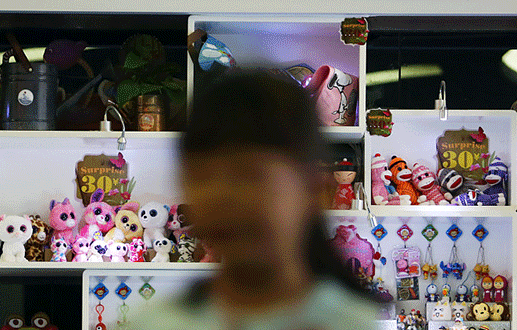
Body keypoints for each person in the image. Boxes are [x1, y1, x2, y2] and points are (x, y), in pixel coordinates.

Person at [135, 71, 378, 330]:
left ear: (316, 192)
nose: (223, 198)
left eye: (250, 176)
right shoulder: (158, 324)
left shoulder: (353, 323)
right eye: (203, 179)